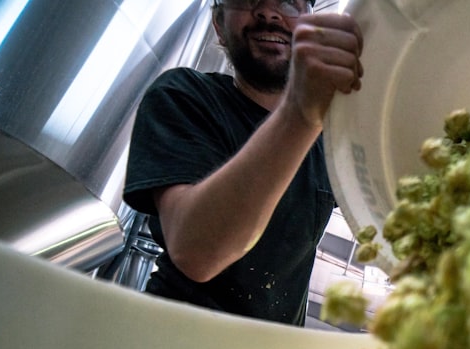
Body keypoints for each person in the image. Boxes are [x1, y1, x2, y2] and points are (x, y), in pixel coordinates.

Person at [123, 0, 364, 325]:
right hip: (173, 344)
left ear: (311, 22)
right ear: (219, 27)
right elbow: (197, 254)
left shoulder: (330, 142)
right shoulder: (184, 95)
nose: (268, 12)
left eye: (288, 2)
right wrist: (301, 113)